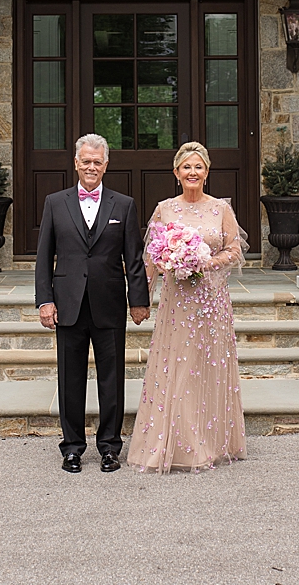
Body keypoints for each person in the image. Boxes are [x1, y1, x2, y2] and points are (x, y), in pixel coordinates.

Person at [128, 141, 247, 473]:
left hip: (211, 303)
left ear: (207, 173)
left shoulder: (220, 209)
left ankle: (209, 442)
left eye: (199, 167)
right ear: (176, 172)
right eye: (186, 167)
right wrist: (142, 299)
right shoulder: (165, 209)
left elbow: (235, 249)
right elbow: (151, 257)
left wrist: (205, 262)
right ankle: (177, 444)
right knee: (178, 369)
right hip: (177, 303)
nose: (192, 172)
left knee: (207, 368)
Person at [34, 134, 149, 473]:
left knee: (111, 379)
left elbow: (135, 258)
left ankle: (110, 447)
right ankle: (71, 447)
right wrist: (45, 300)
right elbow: (44, 257)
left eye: (97, 162)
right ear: (75, 163)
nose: (91, 167)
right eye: (86, 160)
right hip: (68, 303)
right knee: (70, 379)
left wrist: (138, 299)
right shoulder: (55, 203)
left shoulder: (124, 205)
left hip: (109, 303)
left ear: (106, 165)